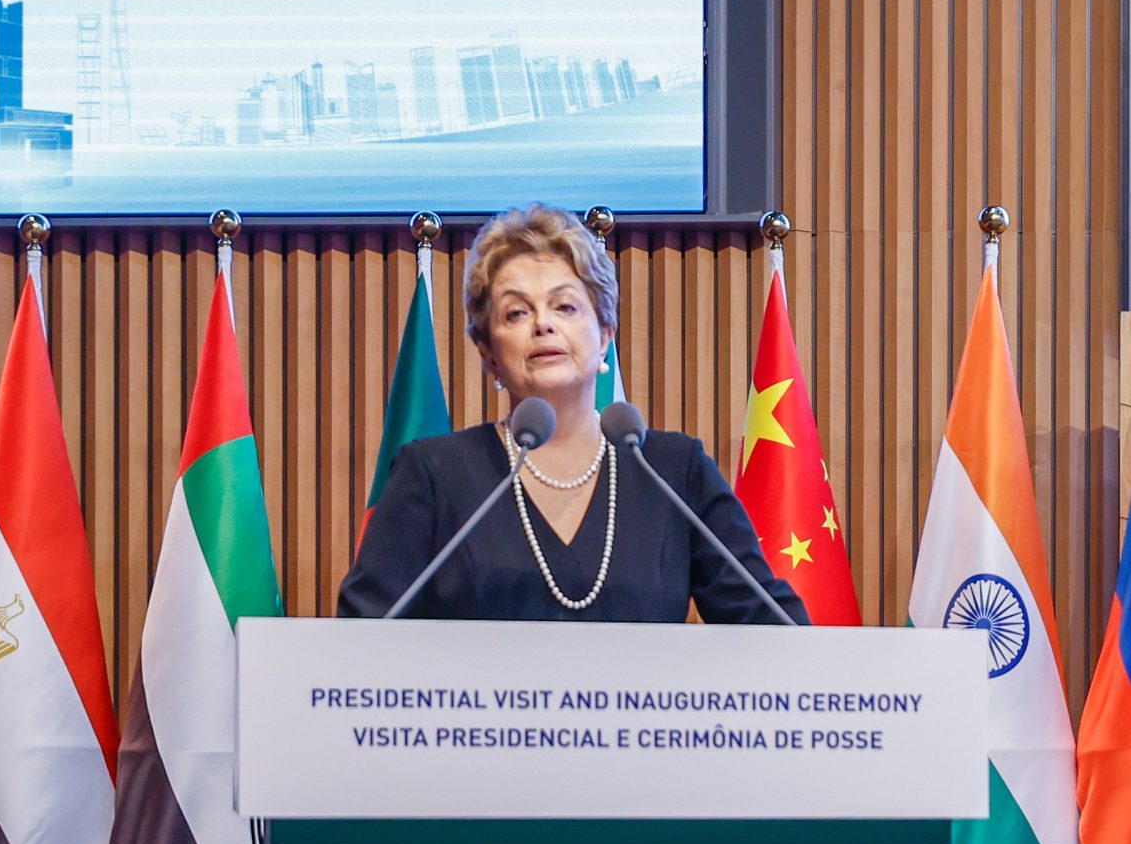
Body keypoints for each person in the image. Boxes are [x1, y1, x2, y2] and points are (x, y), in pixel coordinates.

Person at [338, 203, 809, 625]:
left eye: (565, 306)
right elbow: (364, 637)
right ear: (488, 353)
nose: (543, 323)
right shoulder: (433, 475)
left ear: (604, 334)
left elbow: (772, 632)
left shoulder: (673, 471)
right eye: (516, 313)